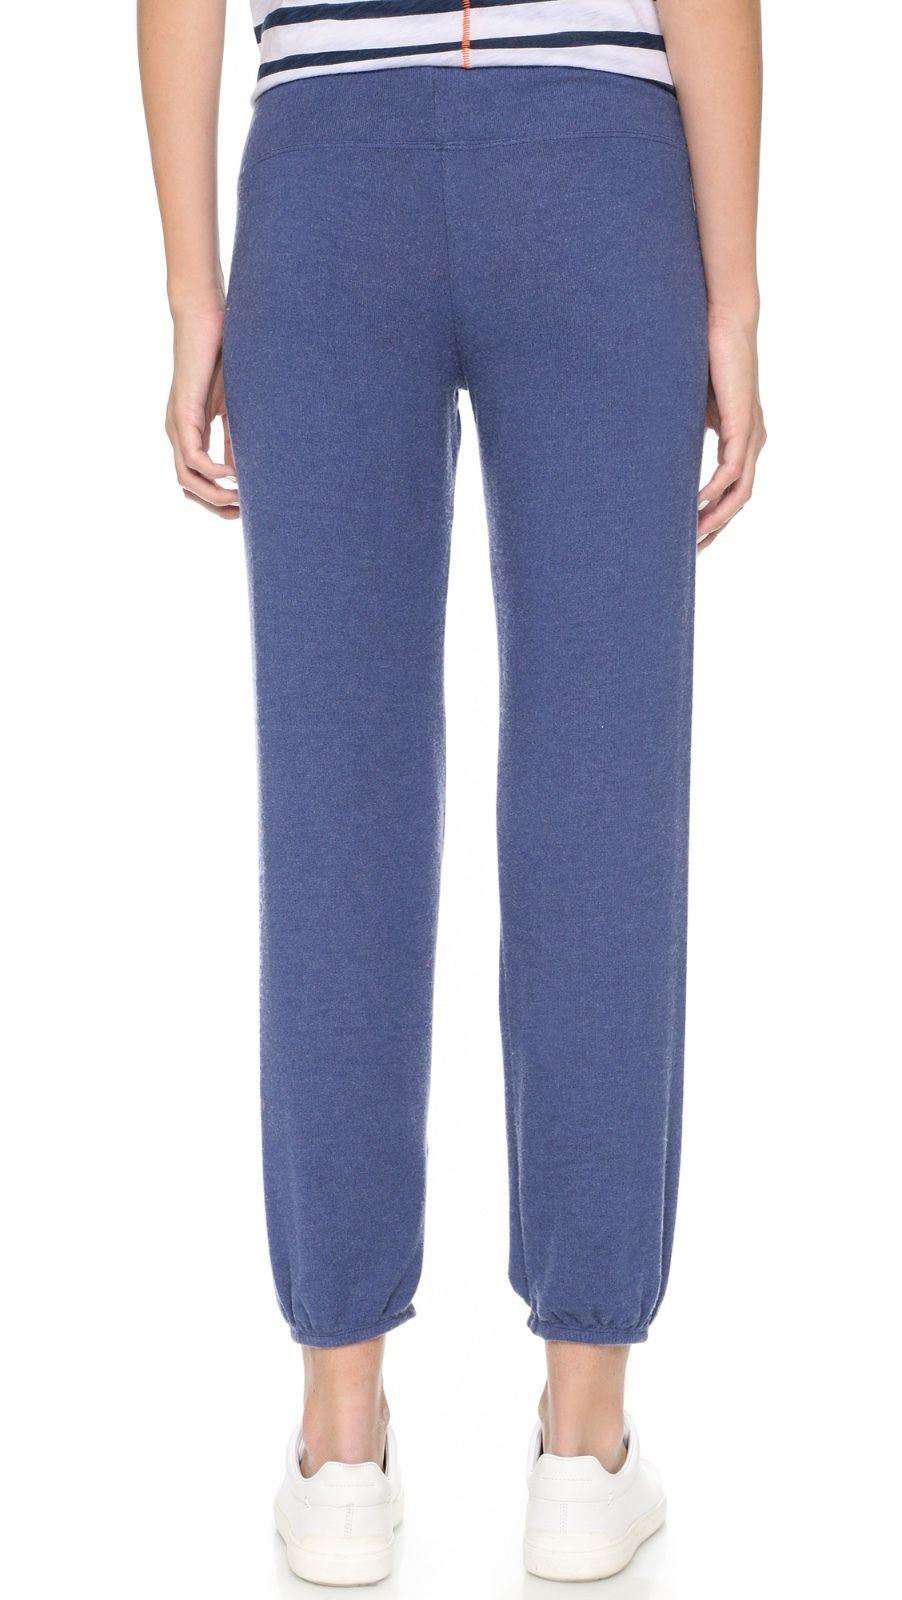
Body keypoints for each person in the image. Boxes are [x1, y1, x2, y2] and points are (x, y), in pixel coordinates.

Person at [139, 0, 765, 1583]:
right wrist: (733, 294)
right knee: (601, 797)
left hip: (327, 171)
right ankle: (581, 1441)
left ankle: (341, 1438)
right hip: (593, 164)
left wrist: (193, 288)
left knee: (333, 807)